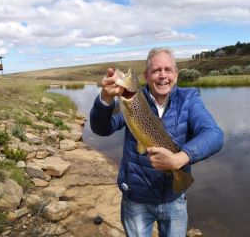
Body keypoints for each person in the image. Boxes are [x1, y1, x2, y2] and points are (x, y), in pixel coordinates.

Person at [90, 47, 223, 237]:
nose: (162, 76)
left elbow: (214, 135)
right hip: (136, 198)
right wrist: (105, 100)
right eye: (156, 70)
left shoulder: (189, 99)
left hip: (174, 199)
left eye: (168, 70)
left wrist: (181, 158)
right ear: (146, 75)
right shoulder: (131, 99)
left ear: (176, 74)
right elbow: (102, 129)